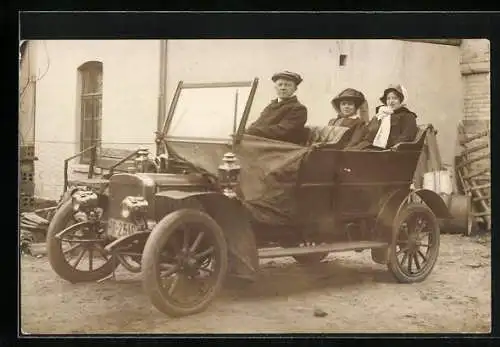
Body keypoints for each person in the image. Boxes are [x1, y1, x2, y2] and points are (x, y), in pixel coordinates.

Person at [347, 84, 418, 150]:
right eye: (388, 98)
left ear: (401, 100)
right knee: (349, 151)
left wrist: (392, 148)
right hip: (371, 146)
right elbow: (368, 132)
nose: (391, 101)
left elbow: (406, 137)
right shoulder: (381, 115)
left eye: (395, 98)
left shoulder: (408, 116)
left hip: (388, 151)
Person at [245, 71, 307, 145]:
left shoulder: (298, 109)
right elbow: (259, 123)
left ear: (295, 89)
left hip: (284, 148)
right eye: (280, 85)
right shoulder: (270, 106)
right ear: (275, 87)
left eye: (288, 85)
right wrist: (246, 131)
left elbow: (282, 131)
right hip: (265, 143)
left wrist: (254, 131)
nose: (283, 88)